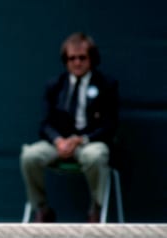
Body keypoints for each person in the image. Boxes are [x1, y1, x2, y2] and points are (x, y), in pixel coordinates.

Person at [20, 32, 119, 222]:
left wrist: (80, 140)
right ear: (66, 60)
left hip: (89, 143)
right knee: (29, 155)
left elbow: (110, 125)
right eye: (72, 58)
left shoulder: (107, 85)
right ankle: (42, 210)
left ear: (92, 59)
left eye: (82, 57)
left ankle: (96, 211)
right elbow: (45, 124)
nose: (77, 62)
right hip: (59, 143)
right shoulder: (55, 85)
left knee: (96, 156)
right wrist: (58, 141)